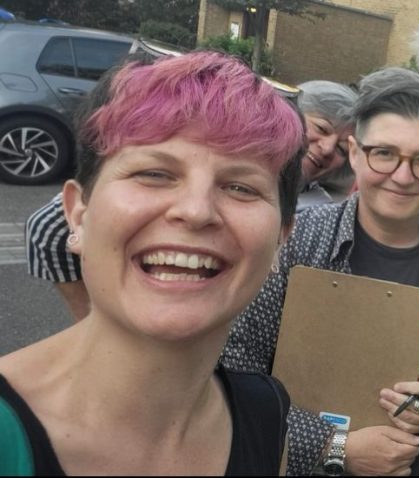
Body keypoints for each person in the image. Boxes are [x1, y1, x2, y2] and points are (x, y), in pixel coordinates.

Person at [0, 51, 305, 474]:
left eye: (240, 187)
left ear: (280, 240)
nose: (196, 211)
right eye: (155, 174)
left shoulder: (268, 415)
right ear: (78, 212)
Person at [222, 67, 419, 476]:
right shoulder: (294, 243)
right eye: (384, 153)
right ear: (354, 152)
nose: (402, 177)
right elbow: (235, 374)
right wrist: (336, 448)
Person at [25, 77, 358, 321]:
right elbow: (46, 228)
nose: (328, 149)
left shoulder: (326, 208)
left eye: (343, 147)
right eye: (322, 129)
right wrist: (93, 318)